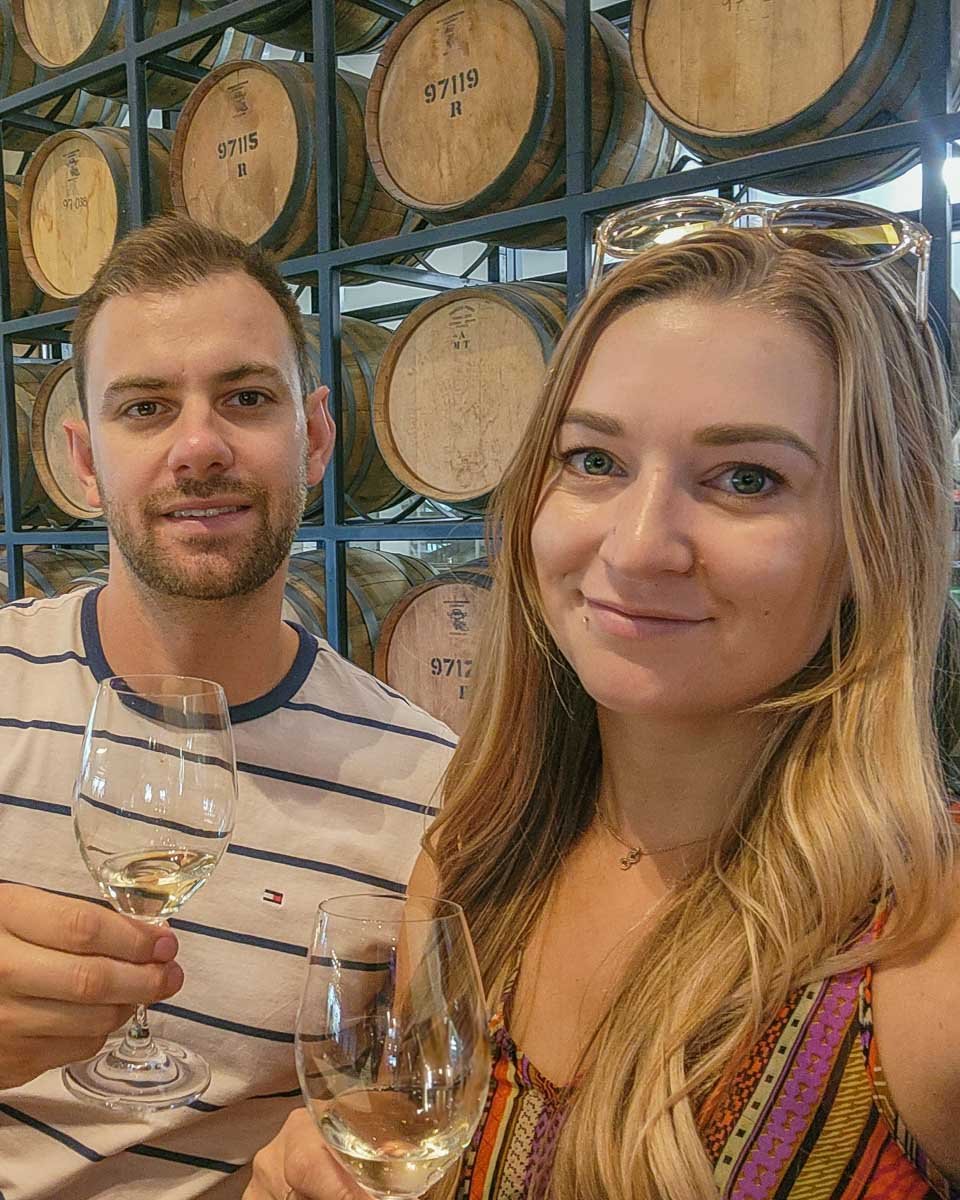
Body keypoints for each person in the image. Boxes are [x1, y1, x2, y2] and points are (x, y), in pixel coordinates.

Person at [245, 199, 960, 1200]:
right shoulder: (471, 861)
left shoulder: (924, 950)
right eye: (595, 462)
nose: (635, 546)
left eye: (746, 478)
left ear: (873, 537)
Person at [0, 216, 455, 1200]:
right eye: (146, 408)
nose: (198, 446)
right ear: (82, 460)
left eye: (246, 398)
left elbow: (408, 1113)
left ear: (317, 436)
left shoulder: (429, 786)